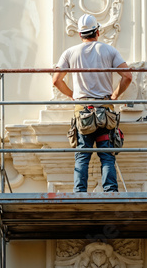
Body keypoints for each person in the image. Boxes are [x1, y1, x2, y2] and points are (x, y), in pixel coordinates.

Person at [53, 14, 132, 193]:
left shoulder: (70, 53)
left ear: (80, 34)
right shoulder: (109, 51)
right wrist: (115, 95)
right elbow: (127, 76)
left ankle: (79, 192)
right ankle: (110, 190)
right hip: (105, 110)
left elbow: (56, 80)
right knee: (106, 154)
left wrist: (73, 95)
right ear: (97, 31)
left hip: (83, 112)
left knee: (83, 154)